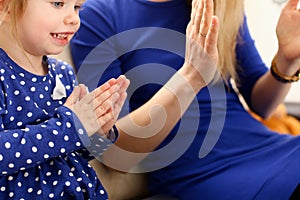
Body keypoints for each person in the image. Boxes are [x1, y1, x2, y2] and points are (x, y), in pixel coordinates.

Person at [70, 0, 300, 199]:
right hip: (206, 171)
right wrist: (191, 77)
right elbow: (116, 154)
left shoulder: (220, 7)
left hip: (266, 145)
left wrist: (286, 59)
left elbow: (263, 106)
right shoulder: (98, 16)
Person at [0, 0, 130, 199]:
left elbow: (72, 154)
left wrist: (98, 133)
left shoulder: (63, 73)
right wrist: (70, 126)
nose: (73, 19)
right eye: (58, 3)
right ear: (5, 6)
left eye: (77, 7)